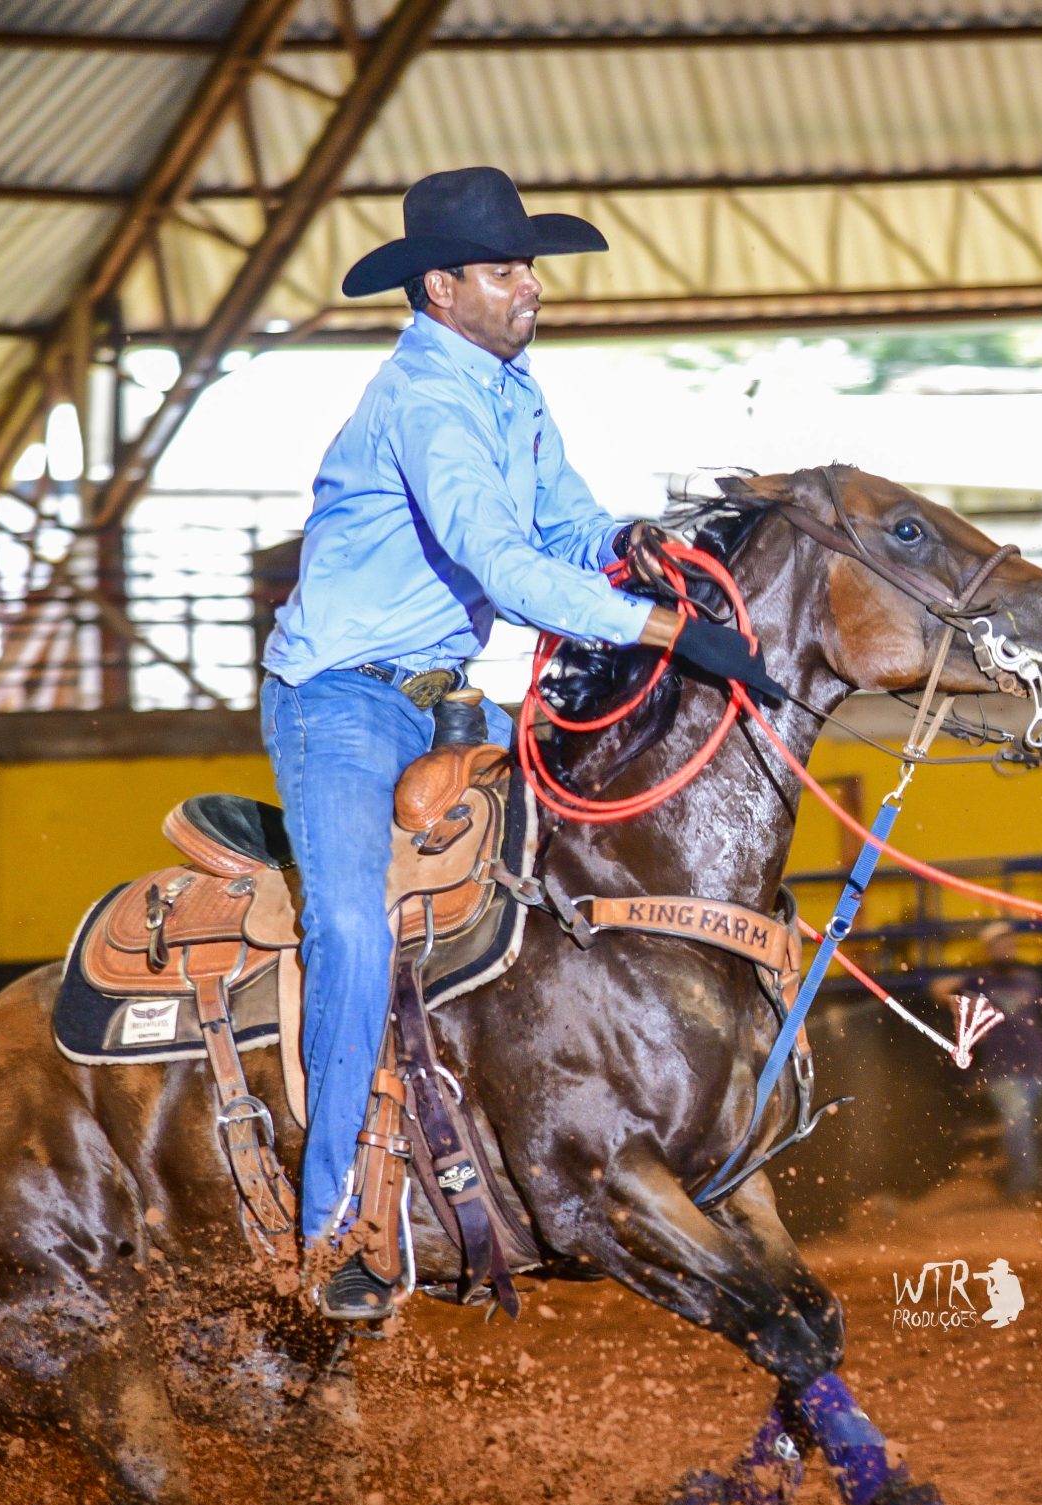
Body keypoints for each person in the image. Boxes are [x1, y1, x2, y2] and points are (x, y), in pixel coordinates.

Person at [261, 167, 782, 1321]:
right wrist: (663, 628)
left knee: (597, 817)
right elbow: (504, 567)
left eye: (528, 266)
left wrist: (637, 542)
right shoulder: (426, 403)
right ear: (441, 287)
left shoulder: (508, 388)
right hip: (340, 701)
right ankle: (329, 1225)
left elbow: (562, 527)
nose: (528, 287)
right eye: (504, 271)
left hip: (447, 698)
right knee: (348, 920)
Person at [930, 924, 1042, 1204]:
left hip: (1039, 1069)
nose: (1006, 948)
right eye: (999, 944)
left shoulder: (1030, 978)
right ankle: (1025, 1187)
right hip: (1003, 1072)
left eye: (1009, 943)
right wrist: (963, 983)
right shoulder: (979, 981)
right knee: (1019, 1120)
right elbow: (939, 991)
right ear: (988, 950)